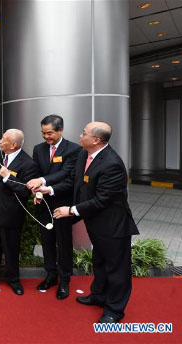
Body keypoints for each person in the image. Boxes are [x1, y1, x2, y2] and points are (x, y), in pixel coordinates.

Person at [36, 122, 139, 323]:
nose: (80, 135)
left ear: (96, 140)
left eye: (84, 133)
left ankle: (114, 310)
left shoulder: (112, 164)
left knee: (117, 270)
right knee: (99, 263)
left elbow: (102, 200)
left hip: (113, 226)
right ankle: (98, 295)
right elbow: (76, 183)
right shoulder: (85, 154)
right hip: (95, 223)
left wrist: (71, 210)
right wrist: (48, 190)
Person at [26, 114, 81, 300]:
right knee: (47, 241)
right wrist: (39, 194)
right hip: (44, 205)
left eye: (49, 133)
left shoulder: (73, 150)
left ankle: (65, 280)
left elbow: (68, 176)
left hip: (62, 204)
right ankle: (50, 275)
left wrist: (45, 186)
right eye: (43, 133)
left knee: (63, 243)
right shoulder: (38, 149)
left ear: (60, 130)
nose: (46, 137)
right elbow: (36, 172)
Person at [0, 129, 38, 295]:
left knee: (11, 248)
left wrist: (7, 177)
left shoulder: (28, 163)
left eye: (3, 139)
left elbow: (26, 191)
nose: (0, 141)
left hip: (11, 213)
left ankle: (13, 280)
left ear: (13, 145)